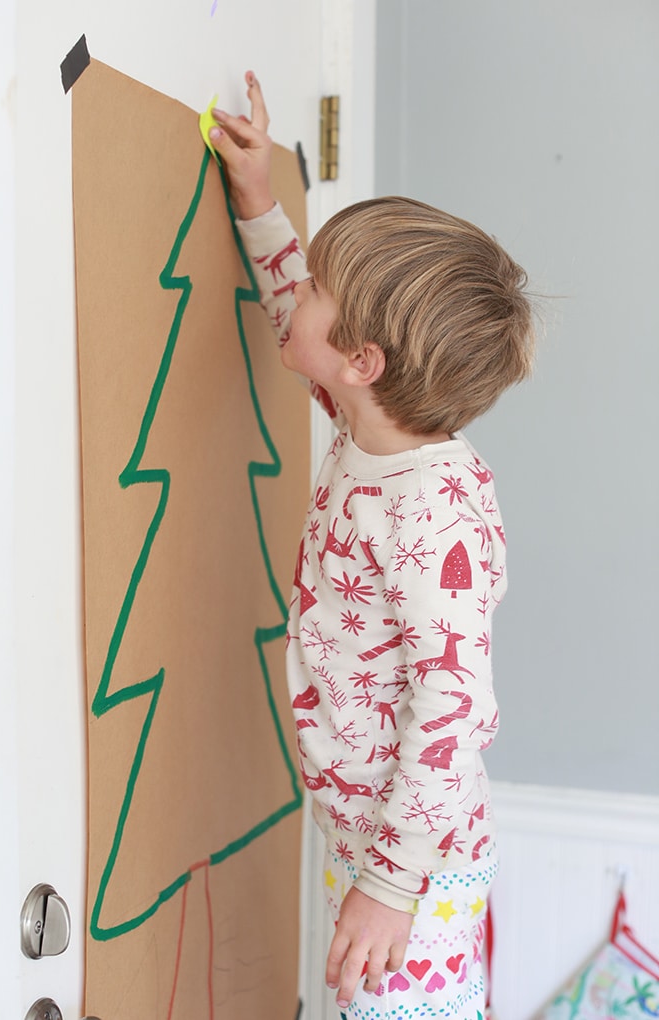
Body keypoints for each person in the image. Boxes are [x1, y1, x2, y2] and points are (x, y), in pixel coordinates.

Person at [209, 72, 534, 1020]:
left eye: (320, 286)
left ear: (366, 363)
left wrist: (390, 888)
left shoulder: (431, 518)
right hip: (369, 826)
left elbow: (454, 708)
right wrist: (261, 199)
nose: (299, 287)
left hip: (416, 863)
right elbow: (296, 324)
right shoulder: (370, 421)